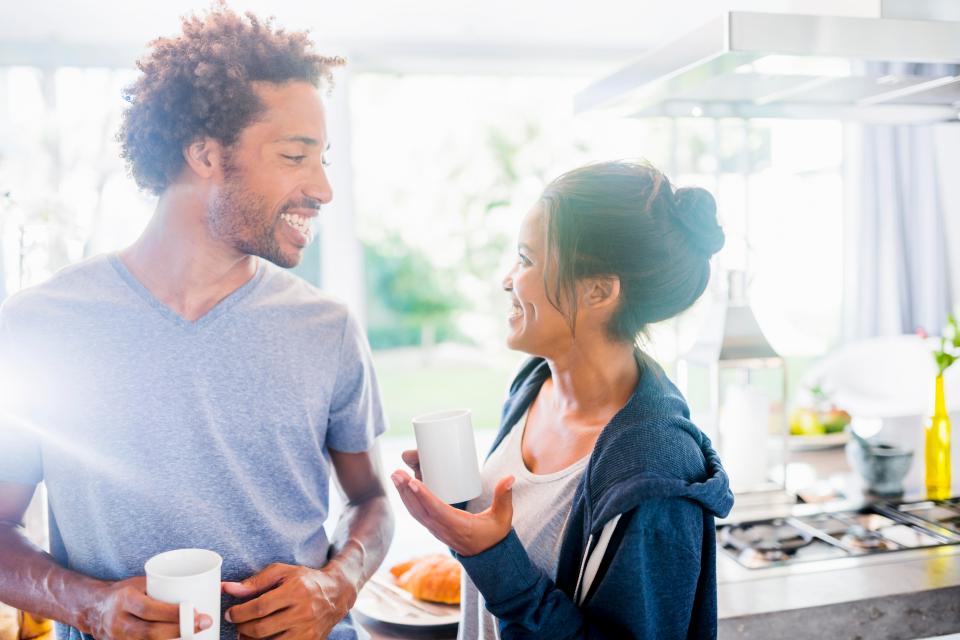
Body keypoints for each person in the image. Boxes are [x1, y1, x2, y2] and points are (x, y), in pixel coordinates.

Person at [0, 8, 393, 640]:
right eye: (296, 155)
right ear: (206, 154)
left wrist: (338, 581)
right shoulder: (38, 326)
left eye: (322, 159)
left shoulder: (327, 328)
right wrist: (85, 604)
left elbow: (370, 501)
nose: (322, 188)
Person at [392, 160, 734, 639]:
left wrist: (491, 557)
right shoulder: (534, 384)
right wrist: (459, 512)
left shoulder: (653, 469)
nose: (507, 279)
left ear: (598, 290)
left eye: (527, 260)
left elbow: (507, 572)